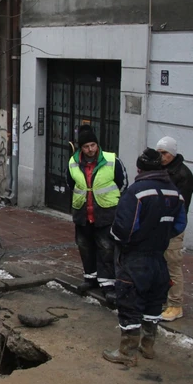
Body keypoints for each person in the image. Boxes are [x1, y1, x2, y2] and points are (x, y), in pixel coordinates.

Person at [104, 148, 187, 366]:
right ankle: (148, 346)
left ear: (139, 168)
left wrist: (124, 242)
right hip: (160, 258)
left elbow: (123, 229)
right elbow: (179, 225)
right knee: (153, 303)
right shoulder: (175, 193)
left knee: (130, 304)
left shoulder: (136, 192)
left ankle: (126, 353)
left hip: (136, 258)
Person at [67, 124, 129, 306]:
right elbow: (71, 184)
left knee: (106, 248)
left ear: (97, 145)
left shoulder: (111, 160)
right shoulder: (73, 162)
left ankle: (108, 284)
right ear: (81, 147)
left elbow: (123, 183)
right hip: (83, 213)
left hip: (106, 213)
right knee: (84, 246)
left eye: (93, 145)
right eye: (86, 146)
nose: (90, 149)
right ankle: (90, 277)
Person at [156, 136, 193, 321]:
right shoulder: (162, 170)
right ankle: (165, 298)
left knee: (172, 264)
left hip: (172, 227)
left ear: (172, 153)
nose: (161, 156)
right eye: (159, 153)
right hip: (159, 224)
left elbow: (179, 204)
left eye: (164, 153)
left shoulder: (182, 174)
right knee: (161, 263)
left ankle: (175, 305)